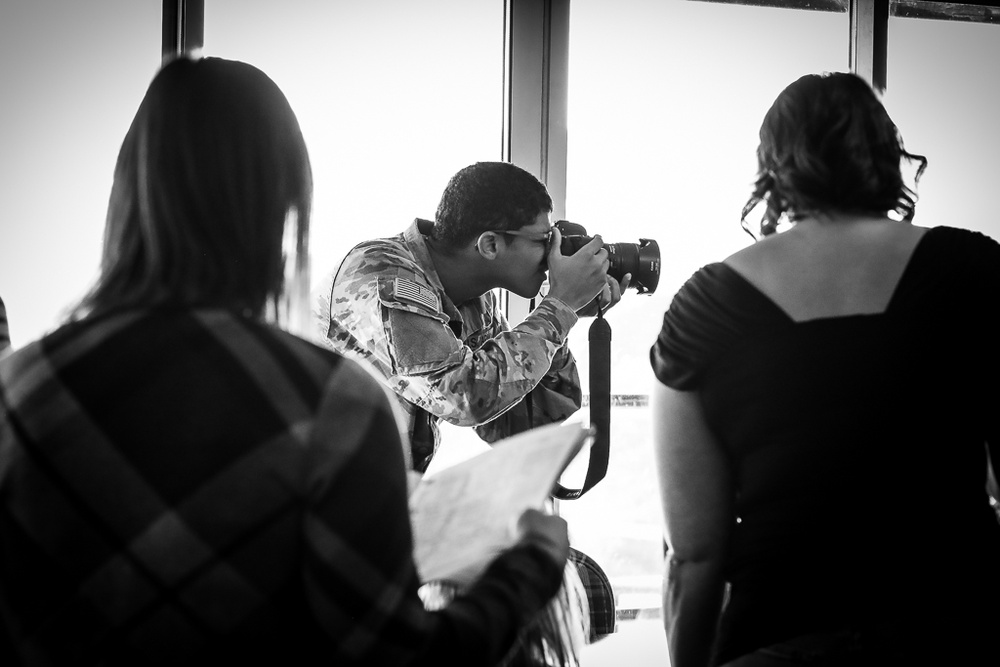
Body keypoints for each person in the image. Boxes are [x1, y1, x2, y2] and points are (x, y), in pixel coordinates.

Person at [0, 55, 571, 666]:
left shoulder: (18, 389)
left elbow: (531, 412)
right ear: (283, 205)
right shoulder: (331, 403)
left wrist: (565, 310)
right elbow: (399, 657)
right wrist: (528, 571)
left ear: (123, 197)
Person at [650, 71, 1000, 667]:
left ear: (773, 166)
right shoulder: (975, 270)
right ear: (888, 155)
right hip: (956, 629)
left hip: (778, 636)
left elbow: (695, 552)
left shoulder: (706, 305)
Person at [314, 160, 627, 473]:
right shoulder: (384, 276)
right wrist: (559, 307)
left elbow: (522, 423)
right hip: (313, 496)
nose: (552, 256)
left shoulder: (474, 299)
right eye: (545, 241)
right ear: (490, 244)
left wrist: (564, 315)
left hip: (376, 495)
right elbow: (463, 398)